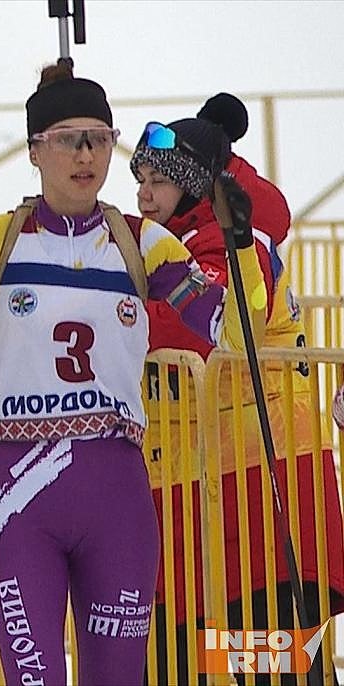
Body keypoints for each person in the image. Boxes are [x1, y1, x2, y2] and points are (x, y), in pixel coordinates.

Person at [0, 61, 258, 684]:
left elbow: (234, 331)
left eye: (100, 139)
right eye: (67, 140)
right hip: (21, 499)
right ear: (35, 150)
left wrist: (240, 246)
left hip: (118, 498)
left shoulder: (144, 243)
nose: (86, 155)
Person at [135, 93, 344, 685]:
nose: (144, 195)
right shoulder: (167, 245)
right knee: (181, 662)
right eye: (140, 180)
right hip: (197, 488)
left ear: (194, 187)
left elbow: (205, 325)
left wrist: (113, 317)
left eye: (158, 181)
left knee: (266, 662)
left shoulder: (241, 245)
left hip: (261, 491)